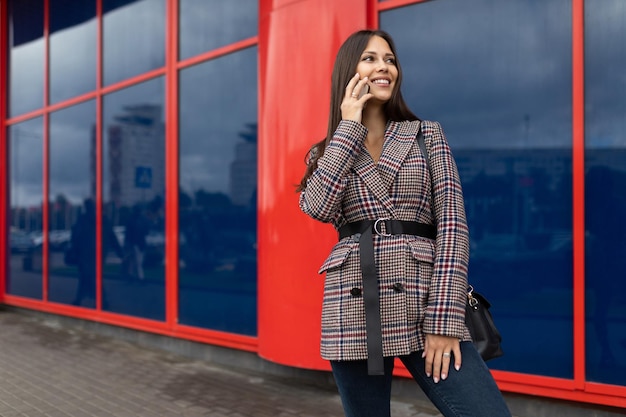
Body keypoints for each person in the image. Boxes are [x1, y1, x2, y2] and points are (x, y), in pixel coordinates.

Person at [297, 30, 512, 417]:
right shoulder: (326, 150)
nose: (383, 67)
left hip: (425, 297)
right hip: (353, 304)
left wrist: (445, 318)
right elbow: (317, 207)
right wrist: (348, 128)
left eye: (390, 60)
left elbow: (454, 227)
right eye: (370, 58)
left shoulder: (426, 135)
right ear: (349, 70)